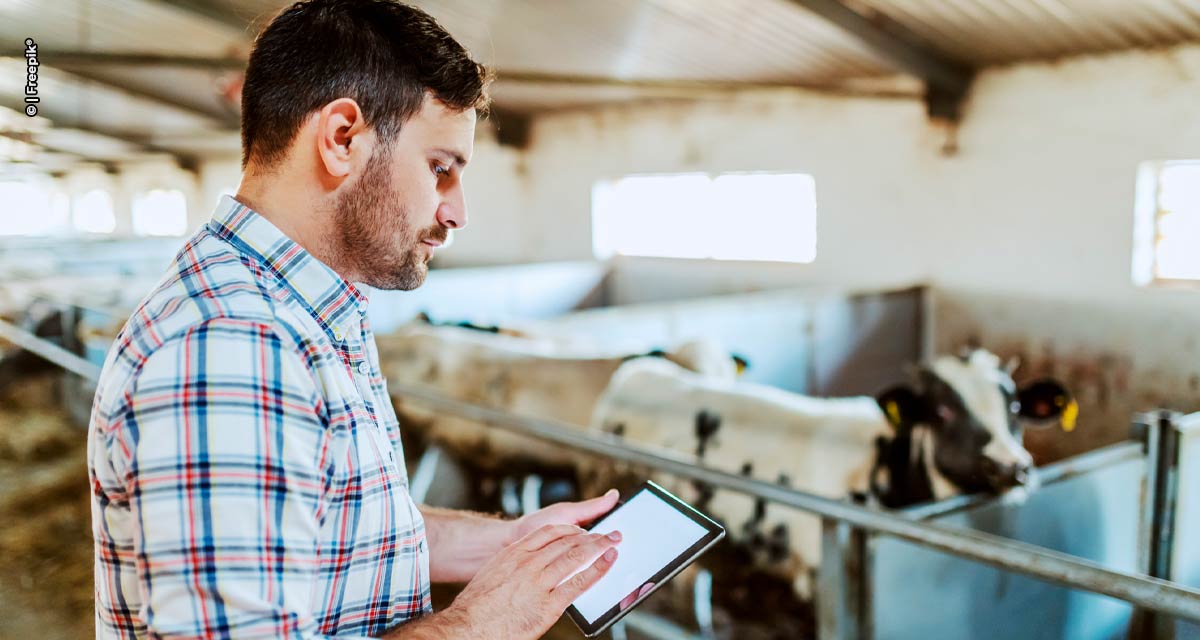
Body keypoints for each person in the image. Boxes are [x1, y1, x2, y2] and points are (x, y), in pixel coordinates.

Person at [87, 1, 621, 637]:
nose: (457, 212)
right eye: (440, 168)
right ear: (342, 138)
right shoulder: (234, 342)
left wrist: (510, 544)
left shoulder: (300, 312)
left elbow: (333, 524)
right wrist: (487, 622)